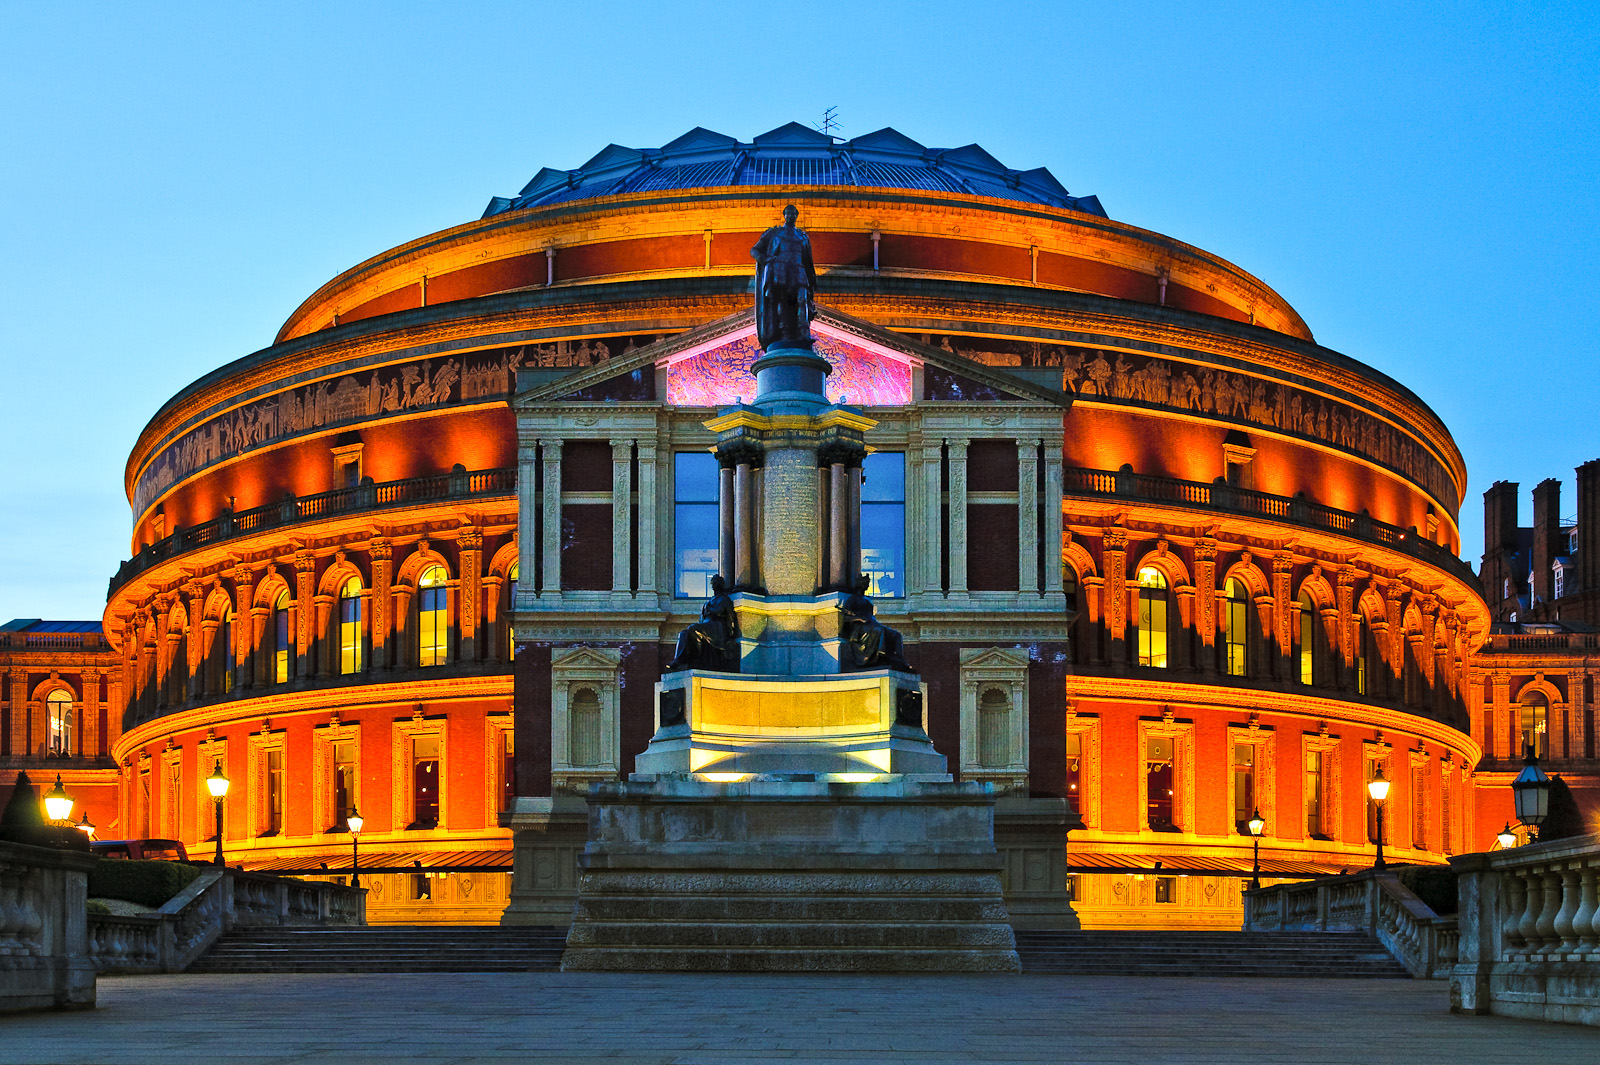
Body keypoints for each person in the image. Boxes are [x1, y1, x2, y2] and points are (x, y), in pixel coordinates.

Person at [750, 205, 818, 349]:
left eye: (793, 214)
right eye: (788, 214)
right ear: (784, 215)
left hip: (799, 271)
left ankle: (804, 334)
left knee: (802, 300)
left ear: (796, 216)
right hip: (780, 272)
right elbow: (754, 250)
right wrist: (766, 260)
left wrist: (812, 282)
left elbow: (808, 261)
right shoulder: (774, 233)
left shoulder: (802, 236)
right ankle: (785, 332)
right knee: (783, 302)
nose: (791, 216)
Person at [666, 574, 739, 672]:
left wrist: (730, 633)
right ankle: (679, 660)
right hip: (707, 625)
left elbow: (730, 617)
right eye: (713, 583)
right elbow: (702, 619)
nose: (714, 585)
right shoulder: (709, 601)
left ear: (720, 585)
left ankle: (697, 658)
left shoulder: (724, 599)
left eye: (716, 583)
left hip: (716, 627)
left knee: (693, 629)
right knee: (683, 633)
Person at [840, 575, 913, 672]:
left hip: (871, 624)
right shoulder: (853, 599)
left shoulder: (867, 599)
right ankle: (881, 655)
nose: (867, 586)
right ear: (860, 584)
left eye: (867, 583)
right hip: (860, 628)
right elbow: (845, 617)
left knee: (896, 635)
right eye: (865, 583)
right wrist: (860, 619)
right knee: (879, 631)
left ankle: (900, 659)